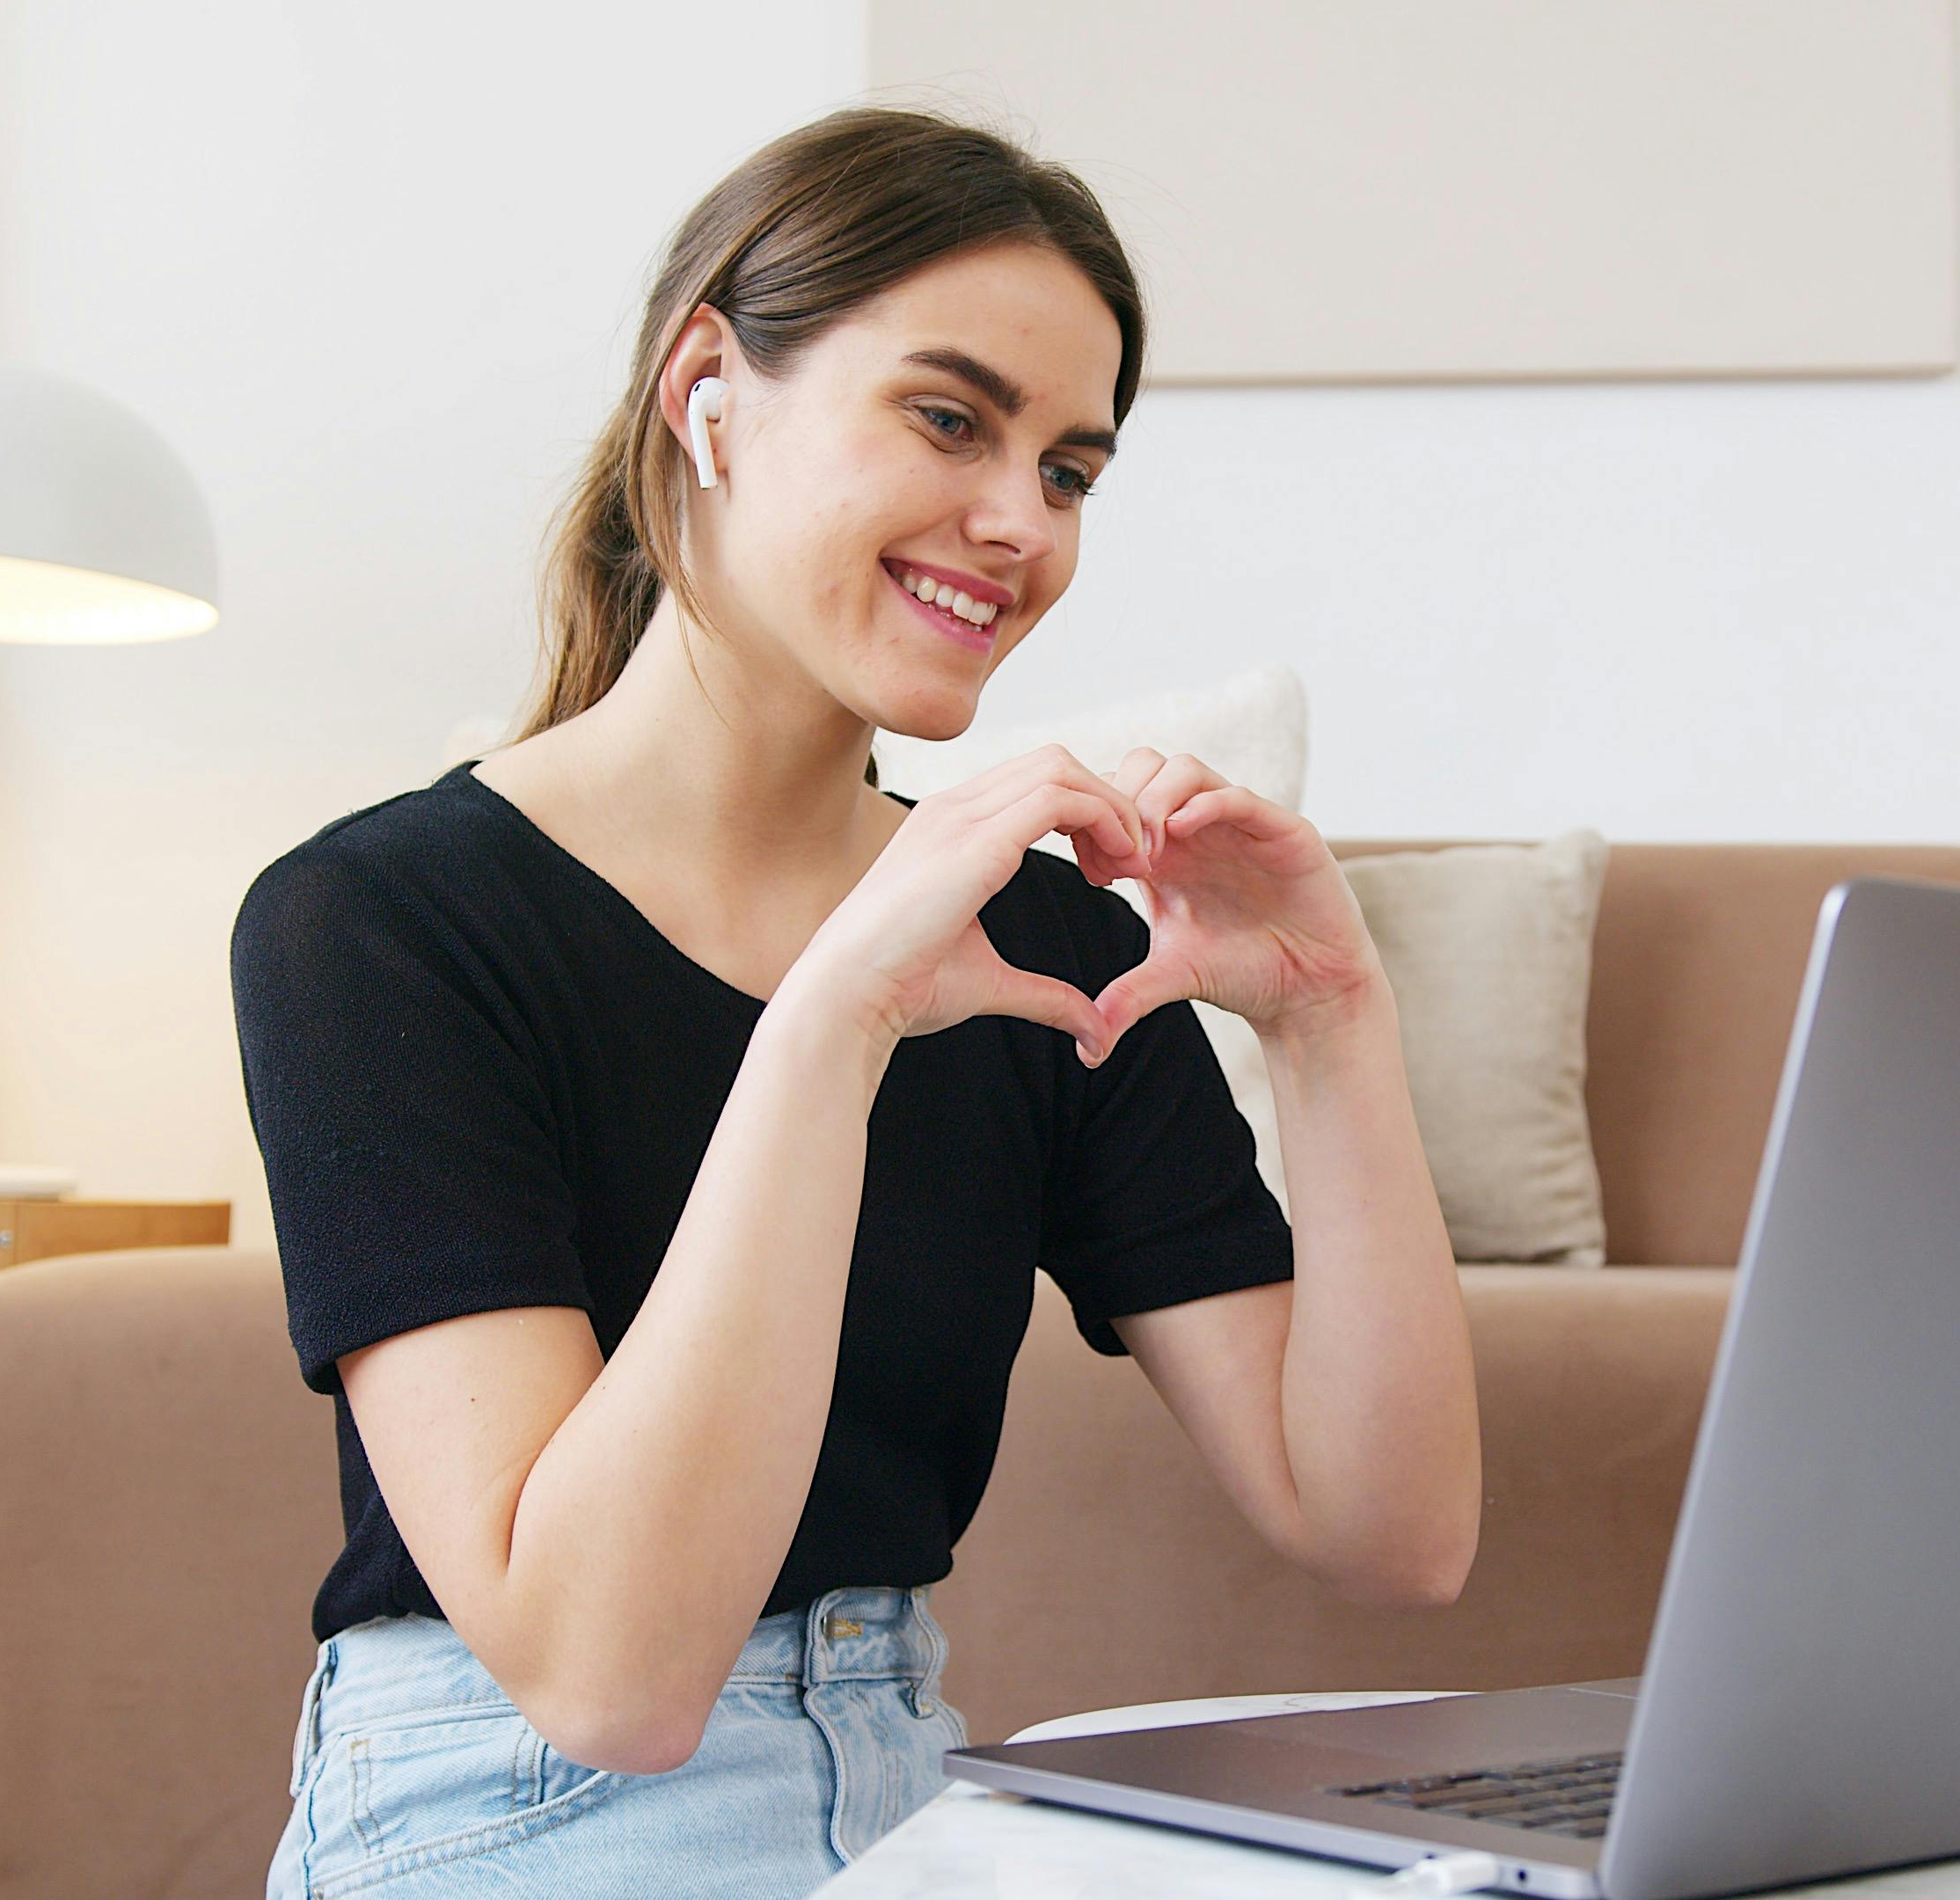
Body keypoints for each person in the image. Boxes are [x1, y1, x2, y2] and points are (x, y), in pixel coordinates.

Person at [228, 106, 1481, 1897]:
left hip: (902, 1792)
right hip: (498, 1805)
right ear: (708, 390)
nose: (1016, 524)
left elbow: (1388, 1531)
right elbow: (607, 1677)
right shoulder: (376, 924)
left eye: (1069, 471)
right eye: (951, 418)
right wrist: (835, 1019)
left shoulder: (1041, 936)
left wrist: (1334, 1023)